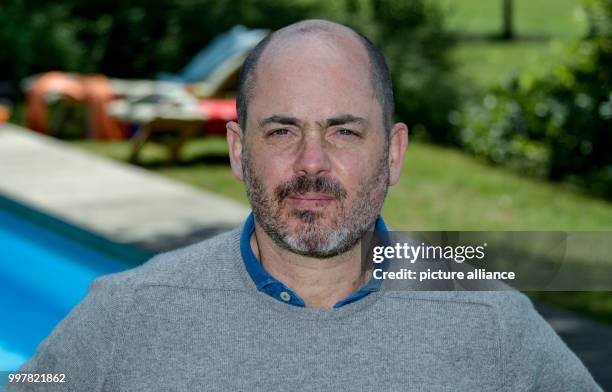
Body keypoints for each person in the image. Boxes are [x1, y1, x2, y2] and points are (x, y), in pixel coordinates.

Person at [8, 19, 601, 391]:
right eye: (282, 132)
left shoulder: (493, 322)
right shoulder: (124, 316)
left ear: (393, 155)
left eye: (343, 131)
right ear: (239, 152)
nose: (312, 164)